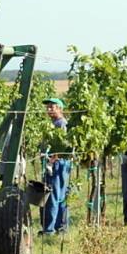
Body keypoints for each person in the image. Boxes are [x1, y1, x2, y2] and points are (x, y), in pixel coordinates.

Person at [40, 97, 72, 235]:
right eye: (47, 107)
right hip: (55, 162)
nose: (48, 110)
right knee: (58, 195)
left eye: (52, 107)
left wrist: (52, 160)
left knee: (53, 195)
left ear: (60, 108)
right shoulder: (53, 124)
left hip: (58, 164)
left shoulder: (61, 124)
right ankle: (60, 227)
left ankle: (50, 229)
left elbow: (63, 147)